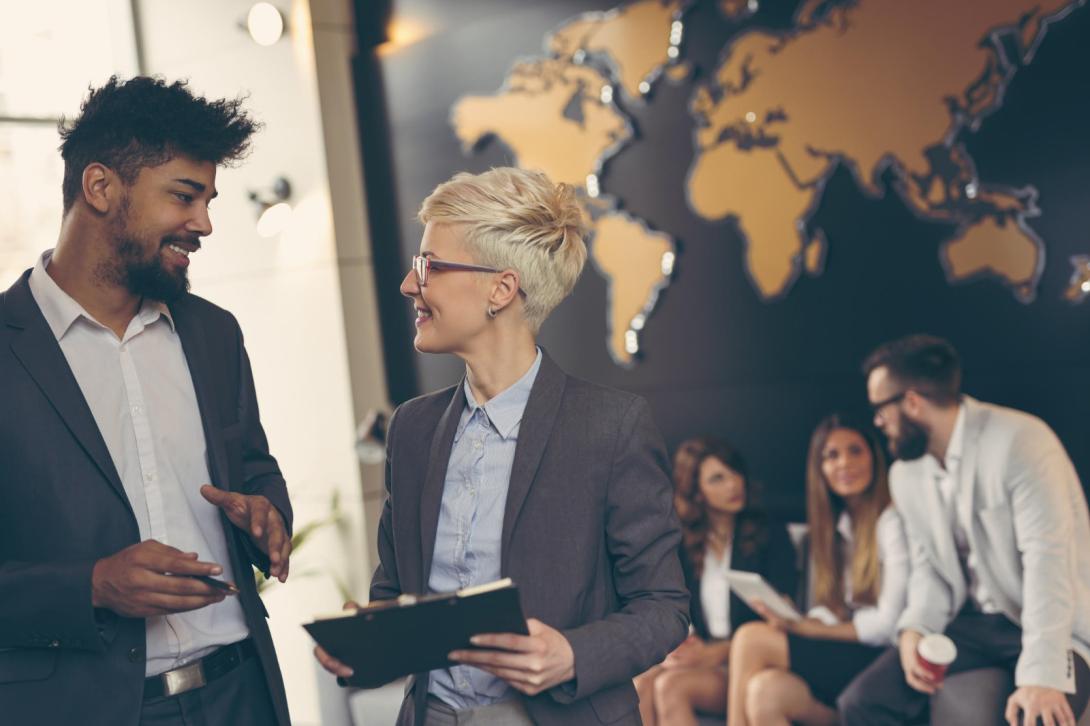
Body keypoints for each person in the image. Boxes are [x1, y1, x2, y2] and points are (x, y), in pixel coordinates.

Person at [315, 167, 690, 725]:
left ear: (501, 288)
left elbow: (664, 607)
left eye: (430, 265)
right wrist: (368, 641)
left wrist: (571, 654)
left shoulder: (611, 426)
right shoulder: (412, 429)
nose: (409, 284)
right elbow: (394, 591)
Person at [0, 77, 293, 726]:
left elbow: (254, 466)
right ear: (100, 188)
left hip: (242, 692)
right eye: (185, 196)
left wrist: (268, 512)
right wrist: (93, 585)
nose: (205, 223)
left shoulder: (215, 332)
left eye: (208, 199)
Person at [839, 334, 1090, 726]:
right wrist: (915, 628)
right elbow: (930, 570)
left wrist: (1041, 677)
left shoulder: (1020, 441)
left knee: (1040, 718)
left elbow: (1049, 562)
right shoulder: (905, 473)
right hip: (971, 627)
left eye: (879, 408)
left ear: (912, 402)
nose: (877, 422)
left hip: (1045, 617)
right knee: (862, 702)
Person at [725, 413, 908, 726]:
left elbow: (888, 625)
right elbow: (834, 611)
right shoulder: (834, 529)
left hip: (885, 659)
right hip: (846, 656)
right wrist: (802, 619)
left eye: (855, 451)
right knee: (764, 692)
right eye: (831, 456)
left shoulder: (892, 521)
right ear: (820, 469)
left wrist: (811, 629)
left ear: (874, 458)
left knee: (750, 639)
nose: (843, 464)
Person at [634, 438, 798, 725]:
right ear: (697, 492)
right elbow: (671, 606)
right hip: (707, 660)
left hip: (749, 664)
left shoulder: (771, 535)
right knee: (642, 683)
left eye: (734, 472)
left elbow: (785, 617)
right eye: (717, 478)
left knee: (670, 687)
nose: (734, 484)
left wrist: (715, 652)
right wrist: (681, 646)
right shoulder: (685, 546)